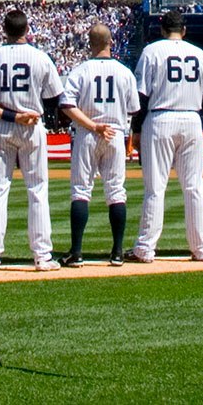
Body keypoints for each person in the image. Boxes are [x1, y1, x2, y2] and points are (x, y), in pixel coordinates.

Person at [0, 8, 64, 272]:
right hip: (32, 124)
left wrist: (13, 115)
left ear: (4, 30)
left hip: (2, 125)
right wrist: (28, 113)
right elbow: (55, 98)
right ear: (27, 30)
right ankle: (42, 256)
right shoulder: (40, 57)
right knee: (37, 190)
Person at [126, 9, 203, 262]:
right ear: (183, 30)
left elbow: (141, 96)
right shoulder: (200, 54)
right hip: (191, 118)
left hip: (161, 117)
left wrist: (135, 128)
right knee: (194, 187)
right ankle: (201, 248)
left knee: (155, 188)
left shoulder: (152, 51)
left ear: (163, 29)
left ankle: (145, 248)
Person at [58, 22, 140, 267]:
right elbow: (134, 109)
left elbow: (67, 105)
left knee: (81, 191)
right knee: (116, 191)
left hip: (87, 132)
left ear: (90, 43)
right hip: (114, 132)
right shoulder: (125, 72)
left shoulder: (80, 71)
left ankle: (77, 252)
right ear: (110, 42)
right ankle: (116, 252)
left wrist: (93, 126)